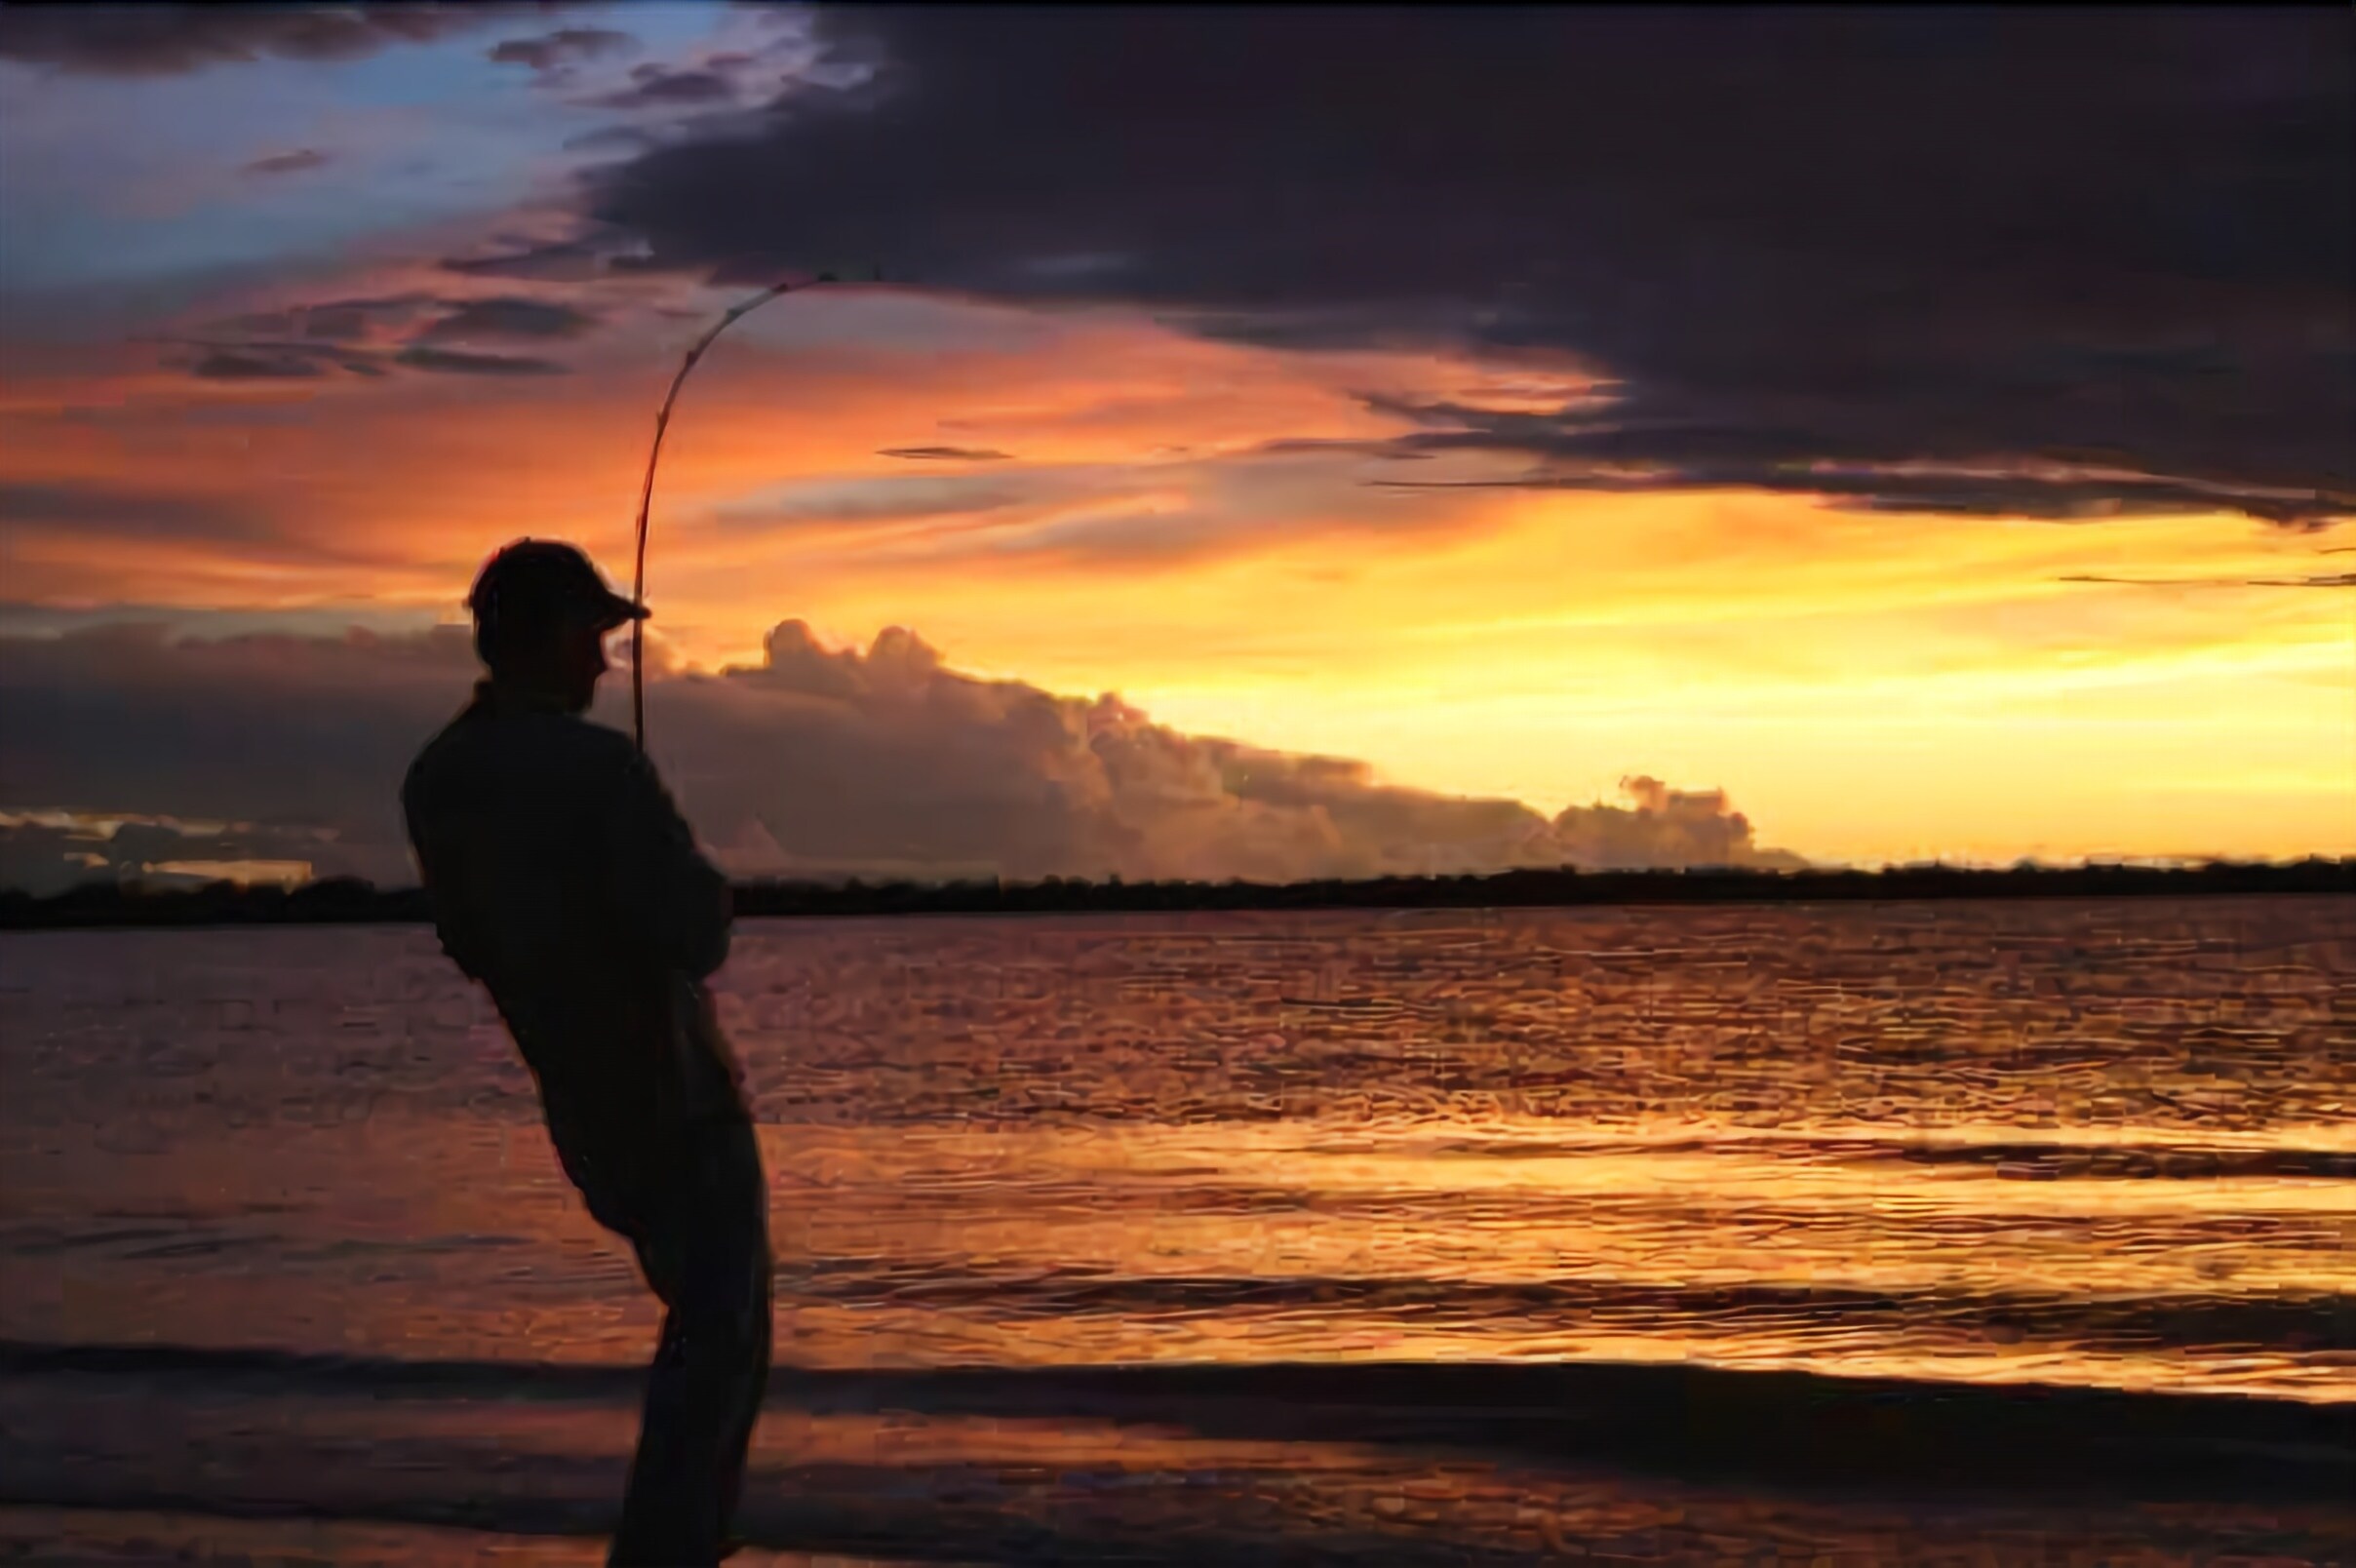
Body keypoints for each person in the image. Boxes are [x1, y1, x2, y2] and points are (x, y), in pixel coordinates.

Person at [401, 538, 769, 1566]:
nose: (606, 666)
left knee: (703, 1324)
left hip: (583, 1108)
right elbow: (696, 931)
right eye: (594, 638)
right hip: (679, 1093)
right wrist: (702, 883)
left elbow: (471, 941)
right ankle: (669, 1550)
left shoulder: (434, 779)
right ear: (553, 636)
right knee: (722, 1334)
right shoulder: (598, 766)